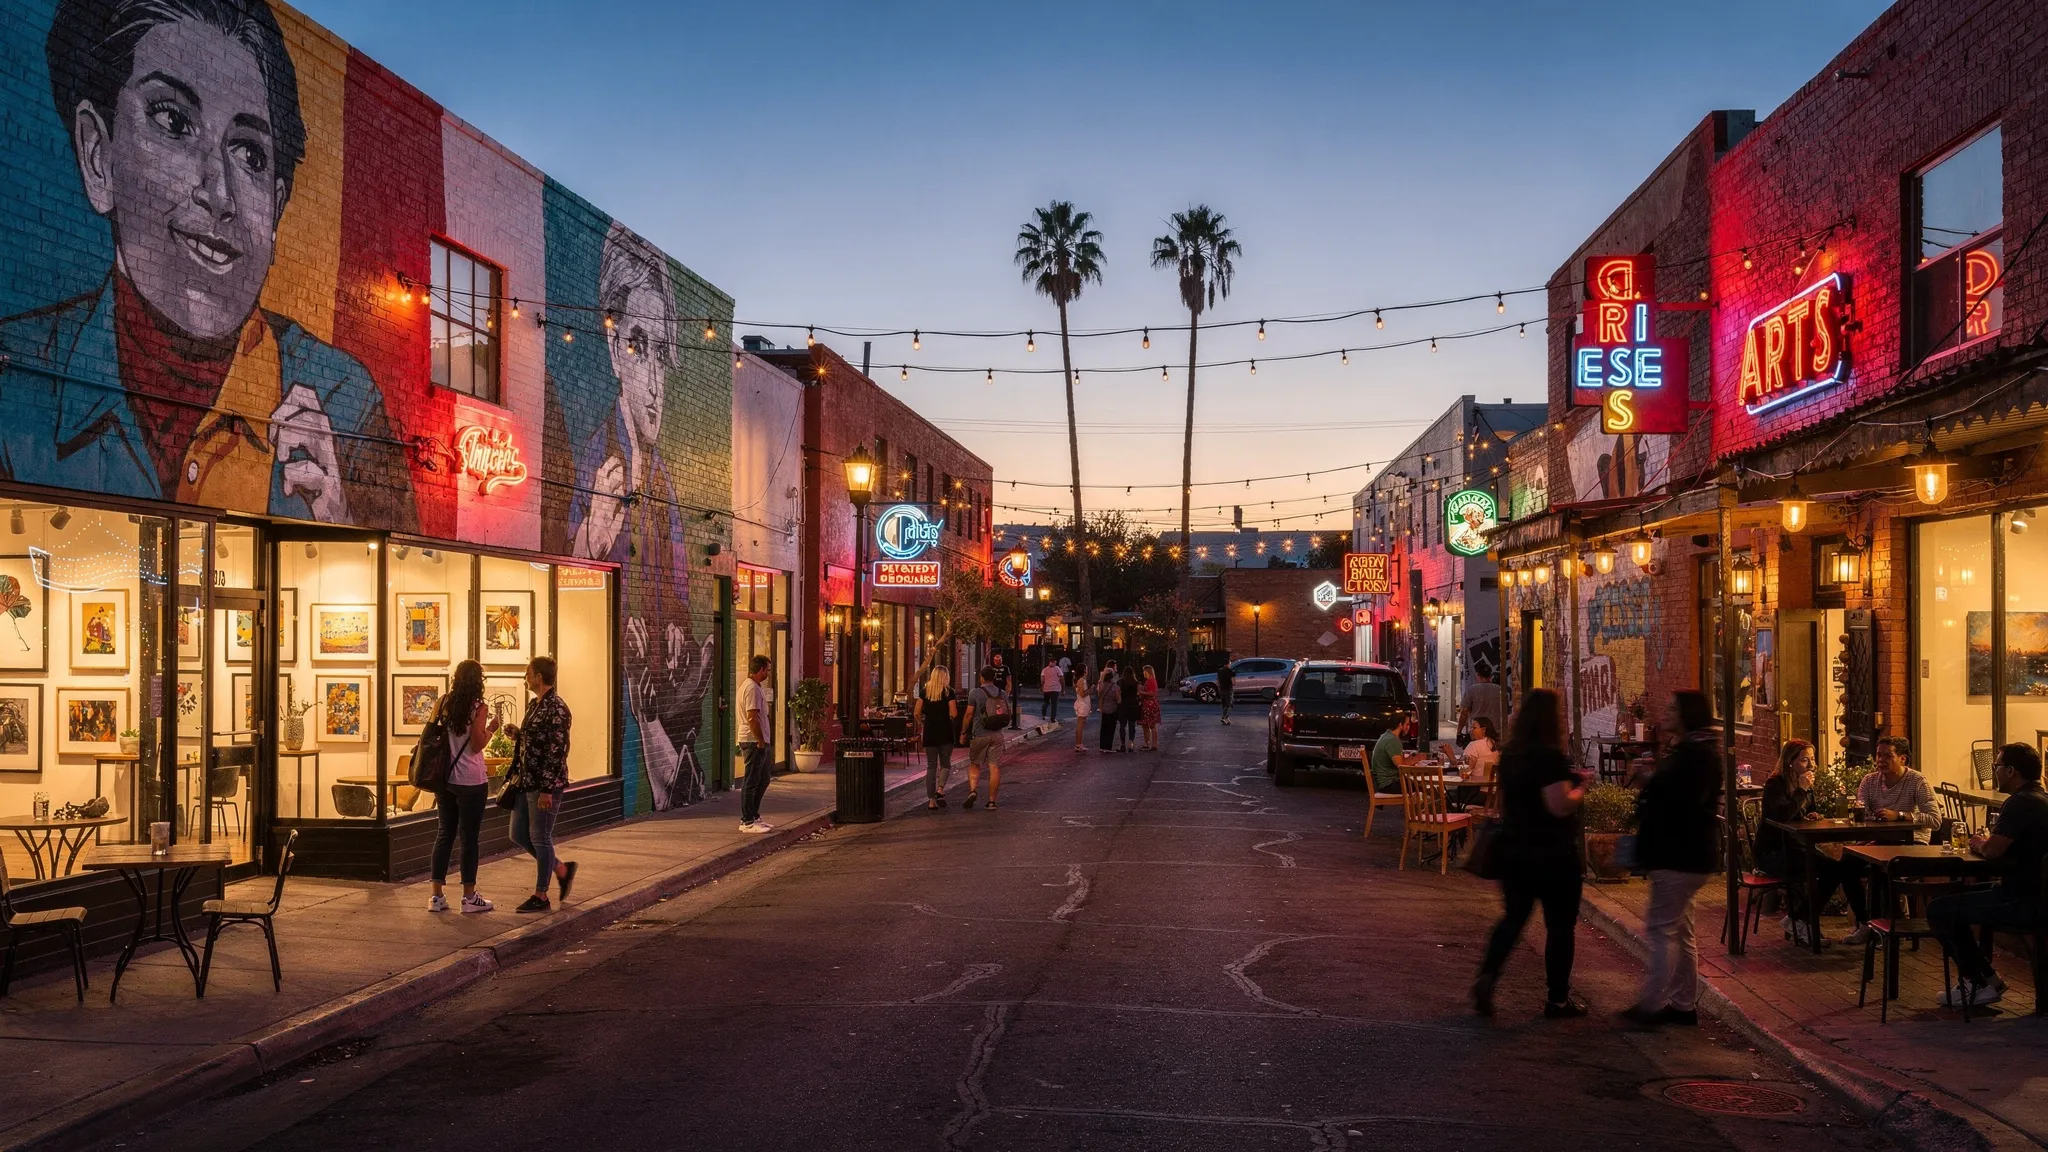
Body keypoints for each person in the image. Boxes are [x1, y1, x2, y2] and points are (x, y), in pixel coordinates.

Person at [3, 0, 417, 530]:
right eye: (173, 121)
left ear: (277, 207)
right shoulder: (16, 378)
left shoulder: (345, 397)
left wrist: (337, 515)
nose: (219, 192)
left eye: (250, 154)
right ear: (98, 155)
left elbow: (402, 569)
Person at [1474, 689, 1590, 1019]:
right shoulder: (1549, 758)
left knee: (1513, 919)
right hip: (1553, 855)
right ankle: (1557, 1000)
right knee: (1559, 927)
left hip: (1515, 850)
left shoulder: (1511, 754)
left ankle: (1488, 975)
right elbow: (1559, 804)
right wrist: (1581, 787)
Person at [1623, 691, 1723, 1026]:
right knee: (1681, 931)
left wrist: (1653, 784)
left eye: (1671, 708)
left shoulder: (1695, 754)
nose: (1664, 712)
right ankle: (1683, 1005)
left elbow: (1683, 803)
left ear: (1686, 715)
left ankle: (1651, 1005)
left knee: (1661, 930)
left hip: (1679, 854)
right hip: (1689, 855)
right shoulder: (1695, 750)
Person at [1928, 742, 2048, 1008]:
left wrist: (1978, 844)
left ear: (2011, 771)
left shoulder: (2019, 803)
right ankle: (1987, 978)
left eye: (1997, 766)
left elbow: (1994, 850)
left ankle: (1978, 982)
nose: (1994, 771)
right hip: (2036, 895)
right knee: (1953, 900)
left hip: (2020, 900)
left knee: (1940, 910)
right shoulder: (2042, 799)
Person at [1758, 739, 1866, 946]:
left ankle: (1801, 920)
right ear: (1790, 762)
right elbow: (1780, 814)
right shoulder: (1776, 784)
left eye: (1812, 760)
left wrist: (1812, 814)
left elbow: (1806, 811)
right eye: (1804, 760)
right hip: (1774, 853)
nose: (1810, 765)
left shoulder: (1806, 783)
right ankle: (1800, 921)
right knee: (1833, 870)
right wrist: (1801, 790)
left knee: (1842, 867)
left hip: (1798, 848)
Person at [504, 656, 576, 913]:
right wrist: (519, 735)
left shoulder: (556, 708)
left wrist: (547, 789)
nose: (525, 678)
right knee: (518, 834)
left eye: (528, 673)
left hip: (544, 785)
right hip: (526, 781)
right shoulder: (536, 705)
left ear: (538, 677)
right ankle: (560, 868)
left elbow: (557, 750)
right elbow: (539, 741)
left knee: (540, 837)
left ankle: (541, 895)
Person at [429, 661, 497, 914]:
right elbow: (478, 745)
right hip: (470, 780)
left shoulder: (443, 702)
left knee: (444, 834)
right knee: (469, 839)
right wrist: (490, 729)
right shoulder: (478, 707)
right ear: (478, 681)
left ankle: (436, 896)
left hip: (445, 779)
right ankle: (469, 897)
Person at [1857, 737, 1940, 843]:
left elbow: (1935, 820)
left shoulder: (1917, 781)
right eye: (1879, 755)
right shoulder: (1869, 781)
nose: (1881, 760)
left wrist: (1899, 815)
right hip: (1878, 840)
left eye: (1888, 756)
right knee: (1849, 856)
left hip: (1911, 841)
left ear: (1902, 759)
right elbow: (1862, 816)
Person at [735, 655, 776, 833]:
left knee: (763, 779)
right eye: (767, 669)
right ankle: (747, 821)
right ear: (760, 670)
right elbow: (752, 717)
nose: (768, 672)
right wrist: (759, 740)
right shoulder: (751, 688)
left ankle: (755, 815)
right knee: (751, 780)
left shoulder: (755, 687)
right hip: (753, 741)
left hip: (760, 740)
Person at [962, 667, 1007, 809]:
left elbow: (969, 714)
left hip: (980, 734)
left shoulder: (975, 693)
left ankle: (973, 790)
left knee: (975, 763)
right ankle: (992, 801)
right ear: (993, 678)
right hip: (997, 734)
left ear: (981, 678)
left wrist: (963, 732)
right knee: (994, 767)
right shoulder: (1003, 693)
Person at [916, 666, 958, 809]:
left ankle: (931, 801)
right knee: (945, 763)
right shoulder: (949, 692)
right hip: (945, 730)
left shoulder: (924, 691)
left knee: (931, 766)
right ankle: (940, 789)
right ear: (945, 677)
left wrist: (921, 723)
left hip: (929, 731)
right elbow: (954, 713)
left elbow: (916, 712)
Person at [1370, 714, 1421, 797]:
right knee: (1424, 787)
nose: (1408, 728)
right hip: (1388, 784)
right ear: (1400, 725)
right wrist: (1418, 758)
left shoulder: (1387, 736)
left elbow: (1401, 762)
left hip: (1385, 782)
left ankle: (1413, 809)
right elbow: (1401, 766)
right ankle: (1422, 809)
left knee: (1418, 785)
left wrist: (1412, 758)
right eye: (1407, 724)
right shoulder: (1392, 740)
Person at [1458, 667, 1505, 747]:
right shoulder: (1500, 690)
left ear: (1478, 675)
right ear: (1490, 676)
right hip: (1496, 731)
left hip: (1477, 731)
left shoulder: (1471, 690)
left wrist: (1459, 731)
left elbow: (1464, 713)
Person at [1096, 668, 1122, 753]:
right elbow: (1118, 700)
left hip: (1104, 708)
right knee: (1111, 728)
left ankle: (1102, 746)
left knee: (1103, 728)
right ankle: (1108, 747)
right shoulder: (1115, 687)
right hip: (1112, 709)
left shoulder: (1101, 685)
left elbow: (1099, 695)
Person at [1117, 665, 1141, 753]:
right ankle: (1131, 742)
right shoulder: (1136, 682)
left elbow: (1118, 693)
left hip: (1123, 705)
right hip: (1133, 705)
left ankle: (1122, 744)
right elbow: (1138, 693)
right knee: (1132, 724)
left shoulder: (1120, 682)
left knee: (1122, 725)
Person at [1139, 666, 1162, 752]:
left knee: (1152, 725)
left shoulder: (1151, 681)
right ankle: (1148, 743)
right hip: (1147, 705)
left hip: (1150, 705)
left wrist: (1142, 692)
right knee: (1146, 725)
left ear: (1147, 671)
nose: (1143, 673)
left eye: (1144, 671)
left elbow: (1152, 693)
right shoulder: (1149, 681)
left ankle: (1153, 744)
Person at [1071, 668, 1094, 752]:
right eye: (1086, 669)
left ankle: (1079, 743)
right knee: (1080, 724)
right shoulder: (1081, 680)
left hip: (1083, 703)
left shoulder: (1080, 680)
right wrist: (1091, 689)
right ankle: (1078, 744)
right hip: (1082, 704)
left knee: (1081, 723)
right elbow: (1082, 694)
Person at [1216, 659, 1237, 725]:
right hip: (1228, 689)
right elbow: (1233, 682)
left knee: (1224, 704)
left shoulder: (1219, 671)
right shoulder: (1231, 671)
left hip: (1221, 690)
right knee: (1229, 705)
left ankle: (1227, 718)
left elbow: (1217, 681)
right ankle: (1224, 717)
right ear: (1228, 664)